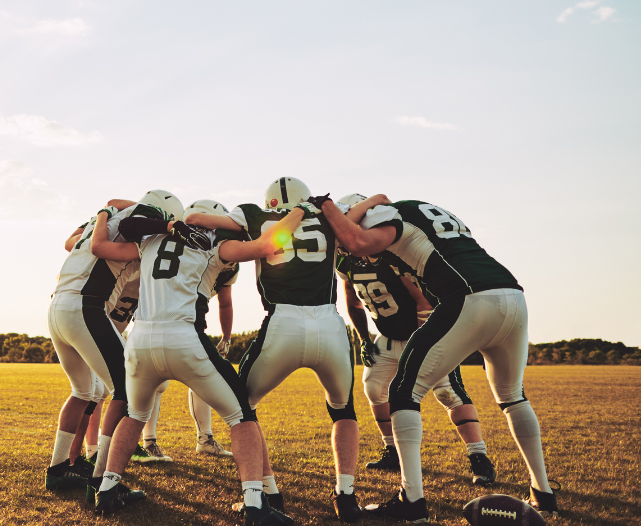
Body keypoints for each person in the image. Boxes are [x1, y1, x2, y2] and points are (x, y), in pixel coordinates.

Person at [319, 195, 558, 521]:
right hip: (512, 294)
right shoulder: (427, 212)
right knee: (513, 397)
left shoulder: (389, 216)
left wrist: (329, 208)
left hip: (469, 296)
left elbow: (357, 239)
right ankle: (542, 491)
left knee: (402, 393)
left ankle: (412, 500)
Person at [90, 200, 306, 525]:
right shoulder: (215, 243)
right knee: (242, 415)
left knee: (135, 414)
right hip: (185, 337)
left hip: (141, 340)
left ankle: (107, 490)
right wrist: (298, 214)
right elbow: (267, 244)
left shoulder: (149, 241)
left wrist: (112, 213)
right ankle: (255, 503)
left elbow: (104, 248)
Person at [188, 178, 382, 523]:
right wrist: (362, 201)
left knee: (242, 407)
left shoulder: (254, 216)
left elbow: (206, 221)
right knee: (343, 409)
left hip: (283, 321)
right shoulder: (328, 216)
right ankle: (346, 495)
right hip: (330, 323)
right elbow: (359, 213)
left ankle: (268, 492)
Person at [335, 195, 496, 487]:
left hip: (422, 332)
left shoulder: (390, 251)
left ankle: (479, 457)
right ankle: (392, 450)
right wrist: (362, 338)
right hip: (387, 336)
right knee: (373, 387)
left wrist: (424, 339)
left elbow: (423, 301)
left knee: (448, 392)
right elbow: (354, 303)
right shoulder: (346, 262)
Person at [43, 191, 183, 492]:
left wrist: (107, 210)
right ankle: (103, 476)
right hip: (86, 306)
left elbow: (85, 231)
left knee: (84, 390)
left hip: (57, 307)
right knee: (128, 389)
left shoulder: (103, 220)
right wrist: (167, 229)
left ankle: (58, 469)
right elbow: (127, 234)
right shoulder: (131, 231)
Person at [134, 200, 239, 463]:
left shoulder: (201, 250)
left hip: (176, 323)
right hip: (163, 320)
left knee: (195, 379)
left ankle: (202, 438)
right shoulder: (205, 250)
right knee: (160, 385)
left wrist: (226, 336)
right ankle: (149, 442)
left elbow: (225, 300)